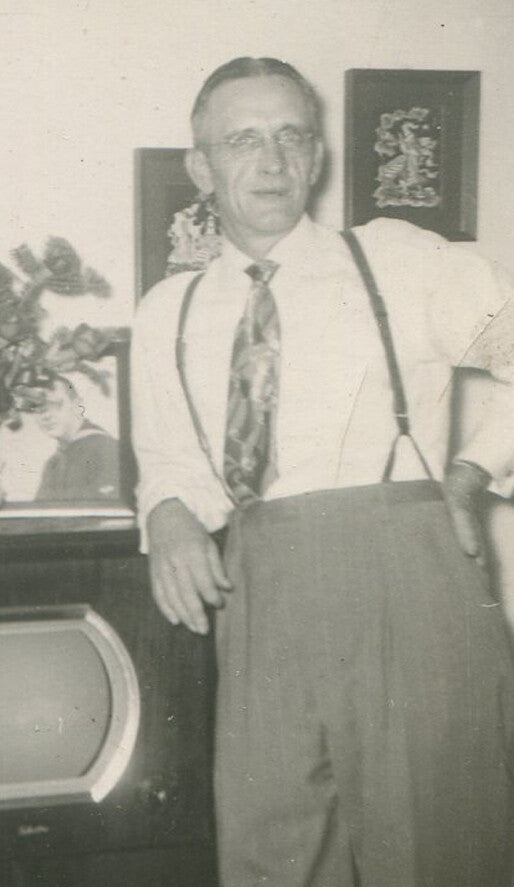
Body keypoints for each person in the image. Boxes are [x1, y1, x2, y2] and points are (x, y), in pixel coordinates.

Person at [131, 58, 514, 886]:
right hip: (260, 588)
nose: (271, 161)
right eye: (243, 140)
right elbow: (167, 462)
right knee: (274, 853)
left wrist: (472, 472)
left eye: (291, 136)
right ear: (201, 166)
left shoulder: (400, 261)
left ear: (317, 155)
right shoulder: (170, 311)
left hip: (408, 582)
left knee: (436, 849)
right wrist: (165, 514)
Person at [33, 374, 120, 501]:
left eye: (55, 405)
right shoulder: (53, 464)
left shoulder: (107, 450)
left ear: (78, 406)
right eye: (38, 407)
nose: (45, 416)